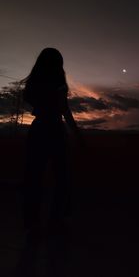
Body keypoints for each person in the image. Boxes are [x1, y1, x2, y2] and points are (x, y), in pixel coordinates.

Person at [22, 47, 83, 240]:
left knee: (36, 177)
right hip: (54, 130)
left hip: (40, 129)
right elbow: (64, 110)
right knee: (60, 177)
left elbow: (31, 99)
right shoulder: (57, 84)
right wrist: (77, 133)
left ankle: (33, 222)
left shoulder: (35, 83)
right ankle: (57, 219)